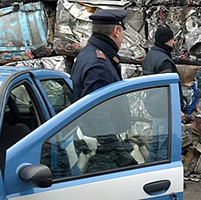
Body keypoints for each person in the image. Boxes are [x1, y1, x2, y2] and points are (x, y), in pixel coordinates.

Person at [70, 9, 136, 173]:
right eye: (123, 32)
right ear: (116, 31)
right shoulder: (99, 64)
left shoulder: (90, 54)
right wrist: (115, 152)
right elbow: (96, 114)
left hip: (100, 143)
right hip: (102, 150)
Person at [142, 26, 186, 161]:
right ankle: (162, 172)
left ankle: (151, 168)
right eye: (172, 39)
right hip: (164, 109)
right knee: (165, 145)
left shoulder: (150, 56)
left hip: (154, 106)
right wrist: (176, 109)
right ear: (167, 41)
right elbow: (167, 89)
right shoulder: (164, 61)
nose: (173, 42)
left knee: (156, 141)